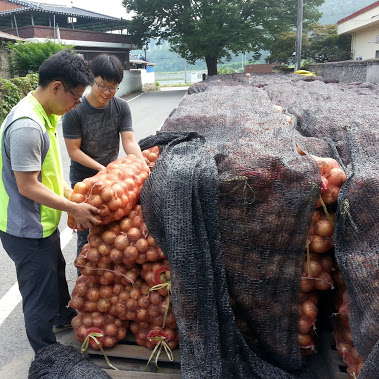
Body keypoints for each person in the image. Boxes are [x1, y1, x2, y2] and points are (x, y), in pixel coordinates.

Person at [0, 50, 102, 353]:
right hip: (25, 228)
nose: (76, 105)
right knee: (38, 297)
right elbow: (28, 186)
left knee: (55, 270)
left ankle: (62, 316)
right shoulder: (27, 126)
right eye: (75, 97)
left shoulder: (43, 113)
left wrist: (73, 194)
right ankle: (47, 355)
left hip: (40, 222)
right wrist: (73, 207)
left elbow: (47, 174)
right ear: (57, 87)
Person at [62, 53, 148, 258]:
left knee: (111, 229)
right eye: (102, 85)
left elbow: (128, 141)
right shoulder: (75, 110)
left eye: (113, 87)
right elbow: (73, 151)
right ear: (92, 80)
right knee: (86, 232)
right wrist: (104, 170)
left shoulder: (121, 107)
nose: (107, 92)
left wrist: (142, 166)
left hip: (112, 181)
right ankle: (84, 273)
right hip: (84, 180)